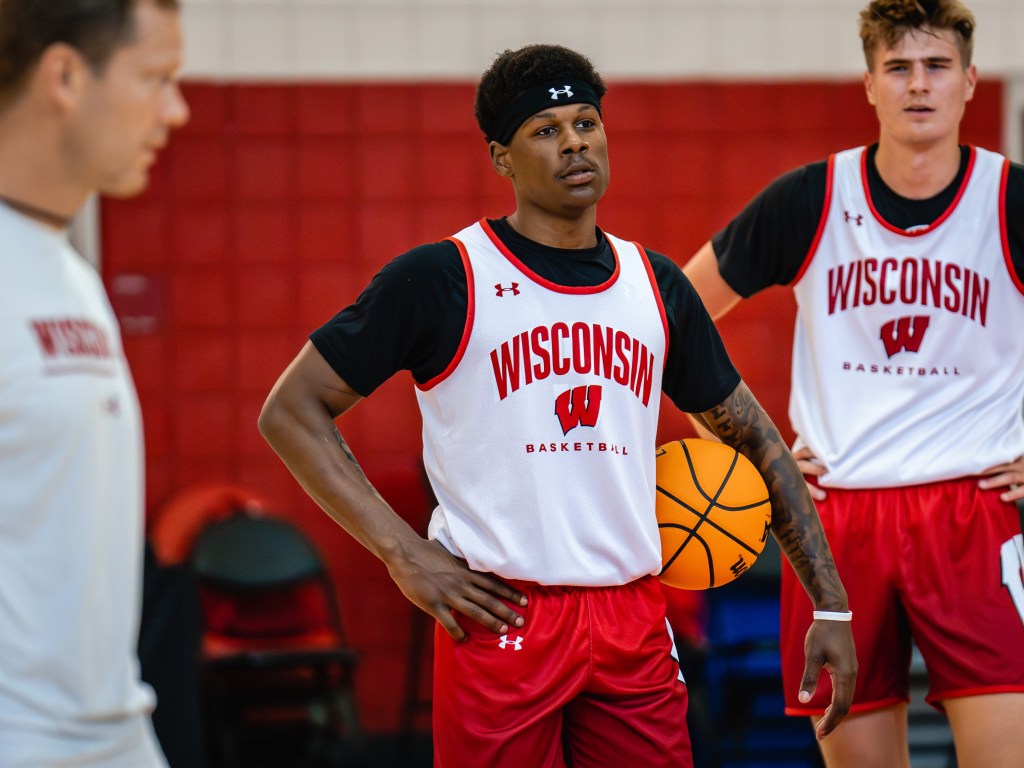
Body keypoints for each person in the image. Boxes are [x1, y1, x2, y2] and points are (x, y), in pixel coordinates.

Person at [259, 43, 856, 767]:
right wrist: (404, 554)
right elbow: (291, 411)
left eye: (586, 122)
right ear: (501, 157)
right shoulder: (444, 279)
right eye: (545, 129)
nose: (574, 142)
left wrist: (828, 600)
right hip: (503, 615)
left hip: (631, 620)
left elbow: (758, 442)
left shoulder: (656, 286)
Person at [682, 1, 1024, 766]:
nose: (918, 86)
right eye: (898, 68)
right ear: (869, 84)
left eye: (936, 67)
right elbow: (674, 317)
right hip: (835, 521)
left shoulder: (1011, 198)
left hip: (977, 512)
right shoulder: (810, 199)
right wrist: (743, 451)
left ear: (970, 81)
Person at [0, 1, 189, 765]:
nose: (175, 111)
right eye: (157, 78)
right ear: (66, 75)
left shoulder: (69, 274)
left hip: (115, 734)